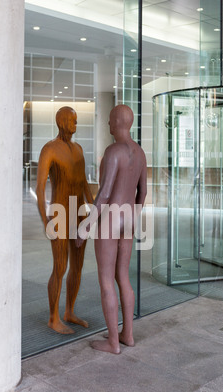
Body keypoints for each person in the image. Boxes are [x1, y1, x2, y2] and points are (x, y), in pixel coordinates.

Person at [76, 104, 147, 354]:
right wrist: (134, 218)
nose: (107, 125)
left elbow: (104, 193)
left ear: (117, 122)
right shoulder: (140, 153)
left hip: (110, 219)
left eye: (109, 121)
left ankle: (113, 343)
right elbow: (143, 192)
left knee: (106, 281)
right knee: (124, 278)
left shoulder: (113, 151)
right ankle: (127, 334)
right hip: (127, 219)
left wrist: (86, 226)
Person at [36, 106, 94, 334]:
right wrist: (46, 221)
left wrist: (96, 210)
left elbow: (84, 185)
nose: (76, 125)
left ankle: (69, 311)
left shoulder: (79, 149)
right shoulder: (49, 149)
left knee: (78, 267)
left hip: (79, 213)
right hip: (59, 214)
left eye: (77, 121)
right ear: (62, 122)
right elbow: (39, 190)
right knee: (60, 267)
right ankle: (53, 317)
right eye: (73, 121)